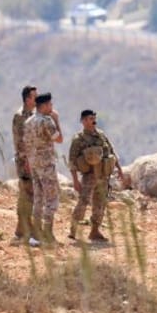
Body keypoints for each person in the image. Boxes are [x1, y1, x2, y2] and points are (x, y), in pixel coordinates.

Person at [68, 109, 123, 242]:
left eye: (93, 118)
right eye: (88, 118)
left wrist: (119, 170)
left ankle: (95, 231)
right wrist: (75, 181)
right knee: (83, 201)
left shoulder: (101, 136)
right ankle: (73, 229)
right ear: (83, 121)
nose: (92, 121)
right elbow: (72, 161)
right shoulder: (78, 139)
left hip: (103, 175)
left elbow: (112, 152)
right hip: (89, 176)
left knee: (100, 203)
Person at [23, 92, 64, 245]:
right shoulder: (47, 121)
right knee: (51, 198)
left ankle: (36, 235)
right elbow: (59, 139)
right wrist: (57, 120)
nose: (52, 107)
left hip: (34, 163)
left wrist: (29, 161)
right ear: (44, 106)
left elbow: (26, 144)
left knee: (38, 198)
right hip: (46, 164)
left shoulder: (28, 122)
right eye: (50, 105)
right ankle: (47, 233)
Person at [12, 85, 39, 247]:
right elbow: (21, 142)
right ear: (27, 99)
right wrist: (28, 161)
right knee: (27, 192)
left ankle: (21, 228)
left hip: (34, 160)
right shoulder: (20, 116)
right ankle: (27, 229)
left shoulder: (34, 115)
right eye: (34, 97)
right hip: (24, 161)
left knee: (29, 192)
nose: (37, 99)